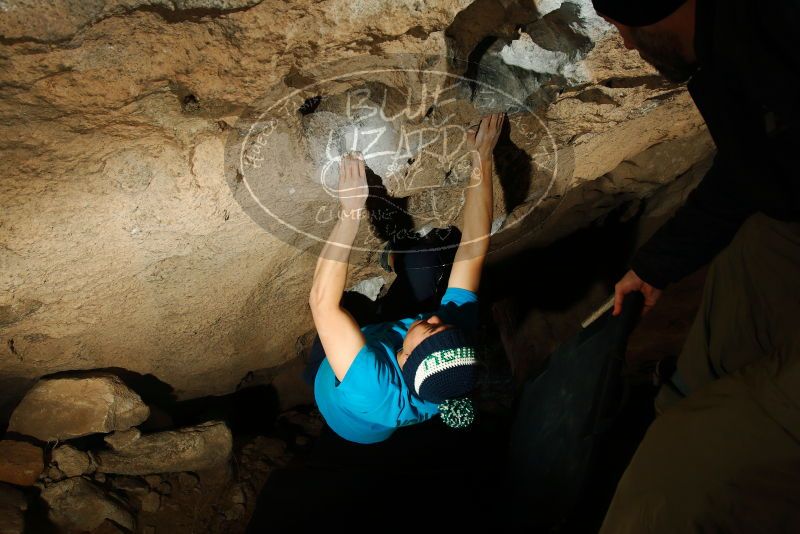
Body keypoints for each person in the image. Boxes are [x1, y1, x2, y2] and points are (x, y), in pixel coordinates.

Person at [589, 1, 800, 531]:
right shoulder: (725, 50)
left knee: (676, 466)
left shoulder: (776, 31)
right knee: (755, 244)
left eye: (625, 28)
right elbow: (750, 168)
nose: (628, 46)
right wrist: (658, 264)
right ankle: (689, 401)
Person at [306, 113, 505, 444]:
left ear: (408, 358)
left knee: (350, 303)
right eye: (445, 327)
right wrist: (481, 156)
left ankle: (335, 349)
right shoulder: (452, 337)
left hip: (345, 407)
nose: (438, 318)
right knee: (423, 262)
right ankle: (395, 259)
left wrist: (351, 212)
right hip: (390, 344)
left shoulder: (372, 385)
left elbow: (322, 304)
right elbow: (473, 245)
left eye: (431, 328)